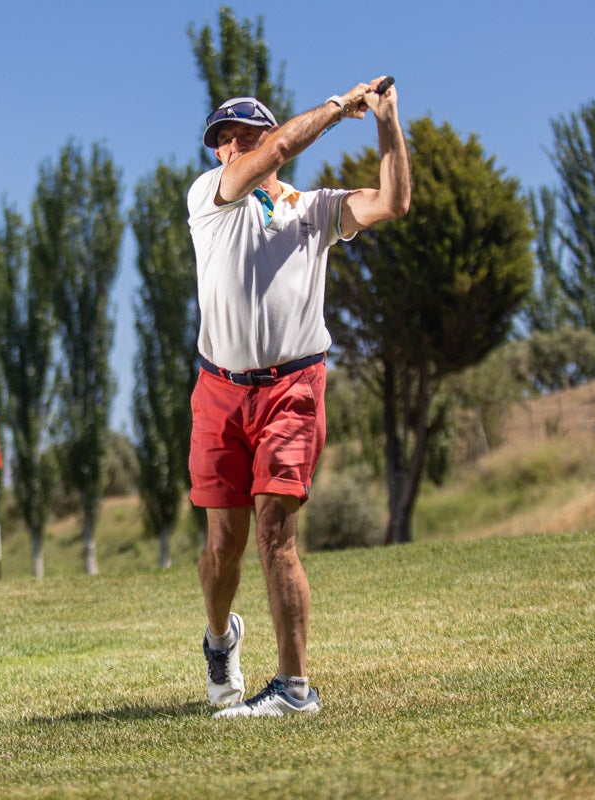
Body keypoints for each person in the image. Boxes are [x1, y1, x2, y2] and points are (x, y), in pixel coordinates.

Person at [187, 77, 410, 719]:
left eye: (245, 136)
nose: (233, 147)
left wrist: (386, 119)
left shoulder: (315, 209)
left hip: (293, 388)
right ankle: (221, 638)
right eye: (225, 140)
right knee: (222, 546)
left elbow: (393, 201)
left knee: (275, 531)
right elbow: (283, 147)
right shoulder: (211, 195)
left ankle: (293, 687)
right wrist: (340, 106)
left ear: (265, 136)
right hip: (219, 389)